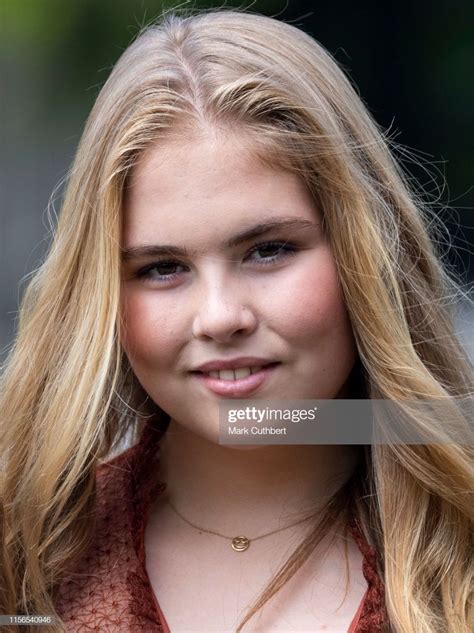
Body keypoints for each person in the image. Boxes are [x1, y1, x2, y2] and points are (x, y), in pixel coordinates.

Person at [1, 8, 472, 633]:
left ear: (367, 253)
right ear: (101, 296)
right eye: (162, 267)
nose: (221, 317)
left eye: (268, 249)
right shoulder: (25, 552)